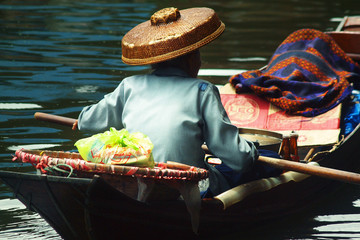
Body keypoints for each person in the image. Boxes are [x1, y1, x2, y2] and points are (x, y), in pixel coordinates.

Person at [73, 7, 259, 196]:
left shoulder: (129, 85)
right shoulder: (202, 90)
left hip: (135, 182)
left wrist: (79, 121)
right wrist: (253, 152)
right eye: (198, 55)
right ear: (192, 58)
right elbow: (239, 159)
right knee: (257, 166)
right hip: (183, 188)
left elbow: (87, 121)